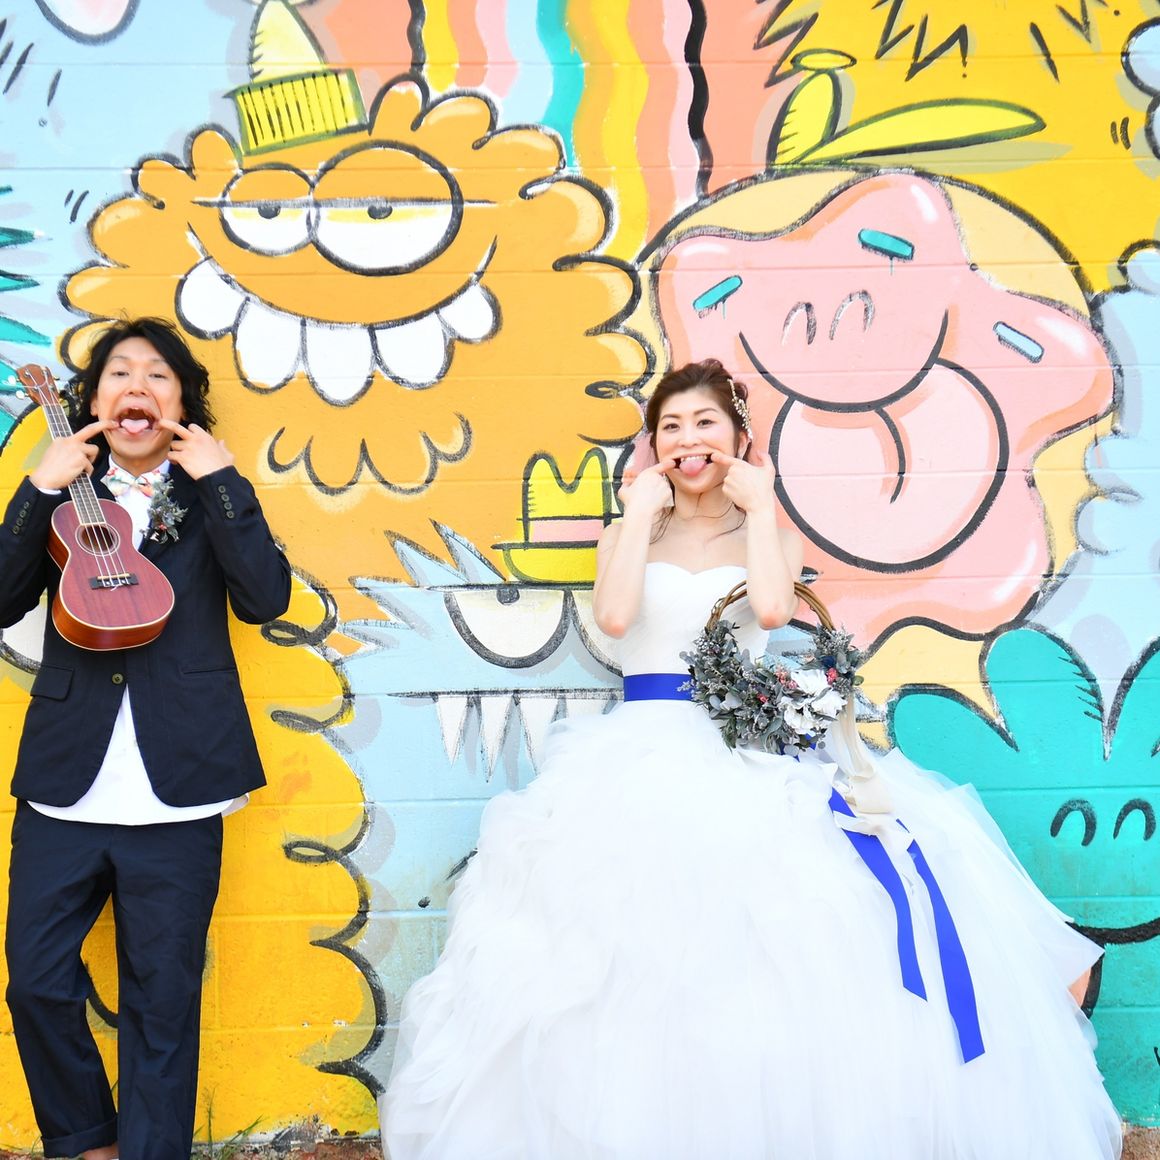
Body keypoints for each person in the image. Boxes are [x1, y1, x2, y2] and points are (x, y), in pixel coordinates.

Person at [380, 358, 1122, 1160]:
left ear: (738, 437)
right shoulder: (630, 531)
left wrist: (762, 507)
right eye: (670, 427)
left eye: (705, 423)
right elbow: (616, 619)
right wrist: (636, 513)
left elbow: (771, 609)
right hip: (636, 751)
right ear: (653, 445)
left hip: (737, 751)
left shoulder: (765, 530)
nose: (687, 440)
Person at [0, 318, 291, 1160]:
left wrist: (224, 481)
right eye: (119, 373)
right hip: (66, 784)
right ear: (92, 401)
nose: (138, 386)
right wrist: (36, 489)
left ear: (182, 404)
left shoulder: (209, 496)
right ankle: (88, 1141)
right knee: (36, 982)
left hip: (183, 781)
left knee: (163, 1002)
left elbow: (265, 599)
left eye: (158, 375)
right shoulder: (60, 496)